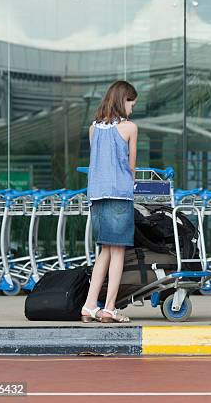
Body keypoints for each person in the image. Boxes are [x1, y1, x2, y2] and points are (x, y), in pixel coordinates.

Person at [80, 80, 138, 324]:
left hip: (97, 194)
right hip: (119, 194)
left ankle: (89, 305)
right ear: (122, 100)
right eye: (131, 103)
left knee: (104, 249)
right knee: (118, 252)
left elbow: (99, 162)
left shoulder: (93, 128)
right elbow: (130, 165)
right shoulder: (129, 128)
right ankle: (110, 307)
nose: (132, 109)